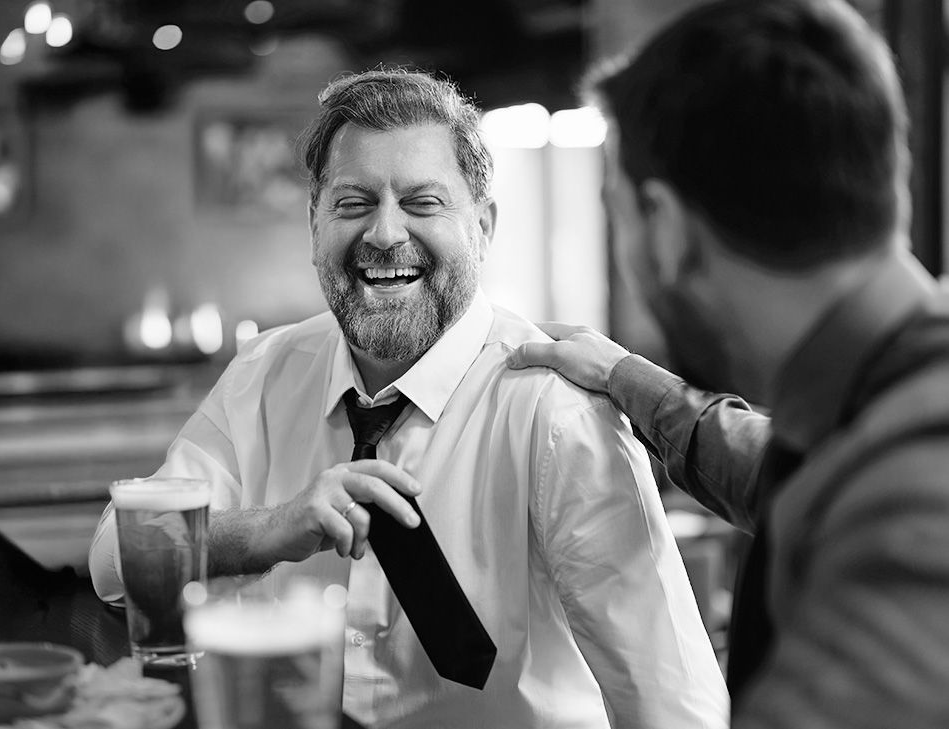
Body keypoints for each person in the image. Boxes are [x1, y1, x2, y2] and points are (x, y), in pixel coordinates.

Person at [90, 69, 727, 728]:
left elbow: (675, 705)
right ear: (314, 225)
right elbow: (115, 560)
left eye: (422, 202)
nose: (384, 234)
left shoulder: (554, 410)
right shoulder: (264, 374)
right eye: (352, 202)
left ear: (482, 226)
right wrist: (268, 529)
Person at [508, 1, 949, 726]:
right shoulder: (881, 399)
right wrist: (623, 375)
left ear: (669, 229)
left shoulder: (912, 509)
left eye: (612, 208)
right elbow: (774, 464)